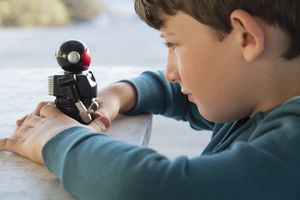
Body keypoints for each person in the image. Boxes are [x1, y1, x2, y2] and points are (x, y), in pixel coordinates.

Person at [1, 0, 300, 199]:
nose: (170, 72)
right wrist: (120, 94)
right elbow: (180, 94)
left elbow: (154, 187)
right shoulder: (259, 99)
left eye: (173, 43)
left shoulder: (291, 151)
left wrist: (59, 138)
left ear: (246, 37)